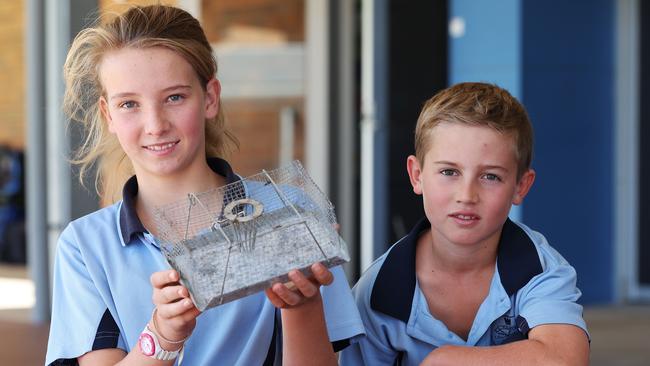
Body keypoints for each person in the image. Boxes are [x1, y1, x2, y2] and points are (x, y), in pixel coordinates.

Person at [45, 5, 363, 366]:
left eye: (175, 97)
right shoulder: (85, 246)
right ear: (108, 116)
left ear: (210, 97)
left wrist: (302, 306)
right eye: (129, 104)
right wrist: (162, 336)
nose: (155, 124)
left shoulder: (288, 214)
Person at [339, 82, 589, 365]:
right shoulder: (377, 294)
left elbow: (564, 359)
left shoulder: (539, 269)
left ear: (521, 185)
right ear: (417, 175)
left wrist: (444, 361)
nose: (467, 196)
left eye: (490, 176)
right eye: (449, 171)